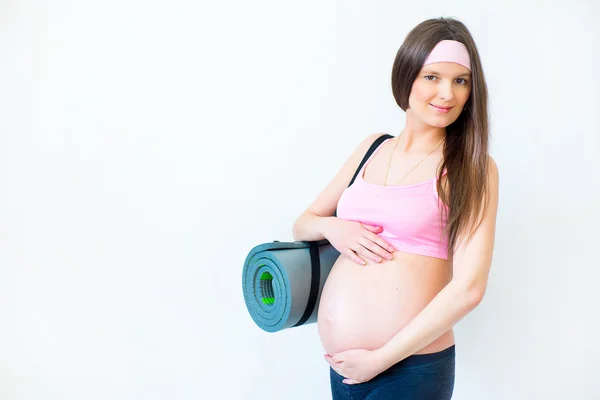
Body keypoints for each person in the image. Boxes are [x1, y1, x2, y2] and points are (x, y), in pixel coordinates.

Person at [292, 17, 499, 400]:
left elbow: (469, 289)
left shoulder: (471, 167)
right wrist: (335, 228)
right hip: (344, 370)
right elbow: (303, 224)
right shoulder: (373, 147)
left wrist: (381, 359)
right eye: (432, 76)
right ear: (406, 77)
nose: (447, 94)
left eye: (461, 81)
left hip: (410, 370)